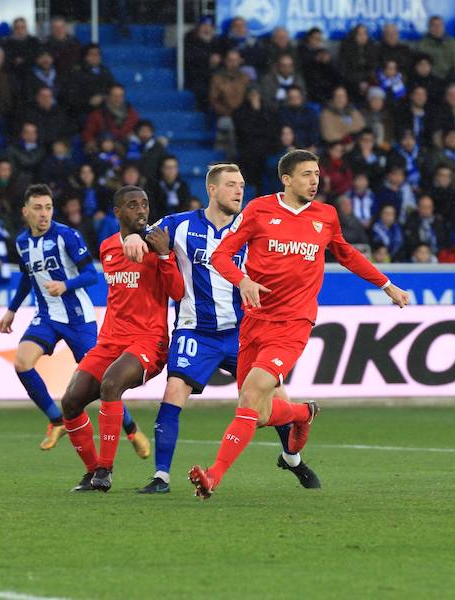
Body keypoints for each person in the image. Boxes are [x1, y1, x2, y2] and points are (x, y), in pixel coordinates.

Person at [188, 150, 408, 499]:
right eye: (306, 174)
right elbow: (221, 255)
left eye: (316, 174)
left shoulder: (326, 216)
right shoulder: (259, 210)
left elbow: (347, 254)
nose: (314, 180)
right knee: (256, 413)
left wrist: (387, 285)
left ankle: (213, 476)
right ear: (287, 180)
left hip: (293, 323)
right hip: (255, 322)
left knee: (251, 394)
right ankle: (302, 413)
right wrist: (242, 281)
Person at [122, 164, 321, 494]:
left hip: (244, 331)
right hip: (196, 331)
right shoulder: (180, 224)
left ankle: (293, 458)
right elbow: (146, 233)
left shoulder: (253, 223)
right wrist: (131, 236)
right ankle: (161, 477)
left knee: (271, 404)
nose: (239, 191)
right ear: (211, 190)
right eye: (231, 185)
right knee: (173, 392)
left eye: (241, 185)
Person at [0, 184, 149, 453]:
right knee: (22, 362)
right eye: (37, 208)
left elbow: (92, 274)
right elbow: (27, 278)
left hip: (78, 319)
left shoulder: (67, 236)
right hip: (46, 316)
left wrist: (65, 285)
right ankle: (56, 421)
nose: (44, 214)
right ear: (25, 212)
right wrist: (12, 310)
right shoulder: (22, 242)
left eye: (48, 207)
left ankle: (132, 430)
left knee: (102, 380)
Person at [61, 185, 184, 492]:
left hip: (148, 341)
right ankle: (91, 473)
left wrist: (165, 255)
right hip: (110, 341)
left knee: (111, 385)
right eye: (132, 205)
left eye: (144, 204)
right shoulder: (106, 247)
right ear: (118, 212)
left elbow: (178, 293)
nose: (141, 210)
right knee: (71, 401)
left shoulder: (158, 243)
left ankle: (105, 468)